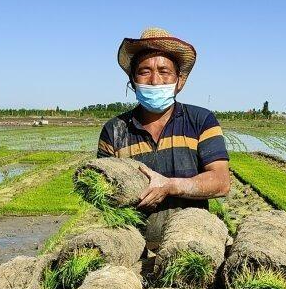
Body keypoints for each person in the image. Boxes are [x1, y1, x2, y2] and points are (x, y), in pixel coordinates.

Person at [97, 27, 230, 211]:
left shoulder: (201, 121)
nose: (155, 81)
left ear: (180, 81)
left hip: (190, 234)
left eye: (164, 71)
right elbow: (103, 188)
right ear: (132, 81)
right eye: (144, 71)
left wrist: (170, 186)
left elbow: (221, 181)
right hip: (133, 236)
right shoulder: (114, 130)